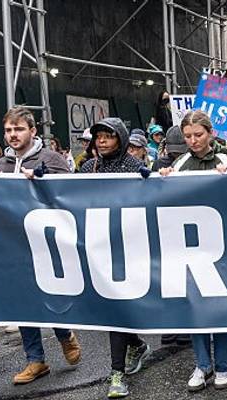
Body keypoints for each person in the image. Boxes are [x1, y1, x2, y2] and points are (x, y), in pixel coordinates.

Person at [0, 107, 83, 384]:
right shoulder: (2, 165)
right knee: (23, 303)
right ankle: (35, 360)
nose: (12, 135)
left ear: (32, 131)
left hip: (45, 242)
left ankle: (65, 334)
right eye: (8, 130)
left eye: (18, 129)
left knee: (50, 294)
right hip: (12, 244)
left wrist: (42, 183)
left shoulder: (51, 158)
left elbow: (70, 196)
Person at [155, 111, 227, 392]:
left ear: (211, 133)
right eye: (188, 136)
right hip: (191, 247)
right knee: (196, 307)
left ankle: (224, 368)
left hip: (225, 246)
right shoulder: (180, 163)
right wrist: (164, 179)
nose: (193, 141)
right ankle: (202, 364)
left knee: (222, 307)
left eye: (198, 135)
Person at [77, 117, 152, 398]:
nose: (103, 141)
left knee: (116, 309)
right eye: (99, 137)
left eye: (109, 136)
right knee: (110, 310)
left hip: (127, 249)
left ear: (120, 138)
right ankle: (137, 344)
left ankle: (117, 373)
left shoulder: (134, 166)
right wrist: (42, 181)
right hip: (97, 248)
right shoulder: (87, 168)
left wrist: (152, 182)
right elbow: (68, 198)